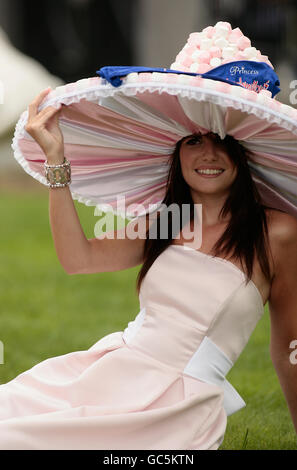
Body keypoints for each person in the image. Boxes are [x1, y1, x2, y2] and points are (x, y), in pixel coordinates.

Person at [3, 22, 297, 450]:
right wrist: (56, 163)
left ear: (243, 152)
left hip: (175, 406)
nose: (208, 154)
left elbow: (289, 344)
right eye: (193, 141)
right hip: (110, 372)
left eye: (221, 141)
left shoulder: (278, 232)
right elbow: (77, 259)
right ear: (177, 152)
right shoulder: (168, 220)